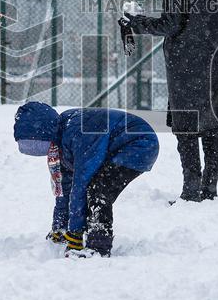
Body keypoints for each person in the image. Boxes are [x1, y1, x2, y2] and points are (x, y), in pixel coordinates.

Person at [121, 0, 218, 202]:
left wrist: (136, 22)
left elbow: (171, 25)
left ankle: (191, 191)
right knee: (212, 125)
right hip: (216, 60)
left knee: (186, 127)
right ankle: (210, 188)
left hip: (186, 64)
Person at [12, 102, 159, 258]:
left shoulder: (78, 132)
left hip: (139, 144)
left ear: (43, 131)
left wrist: (75, 233)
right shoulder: (59, 142)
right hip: (117, 147)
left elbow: (81, 183)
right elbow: (65, 188)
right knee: (92, 188)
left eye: (38, 145)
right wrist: (60, 227)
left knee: (98, 190)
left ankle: (99, 246)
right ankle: (88, 235)